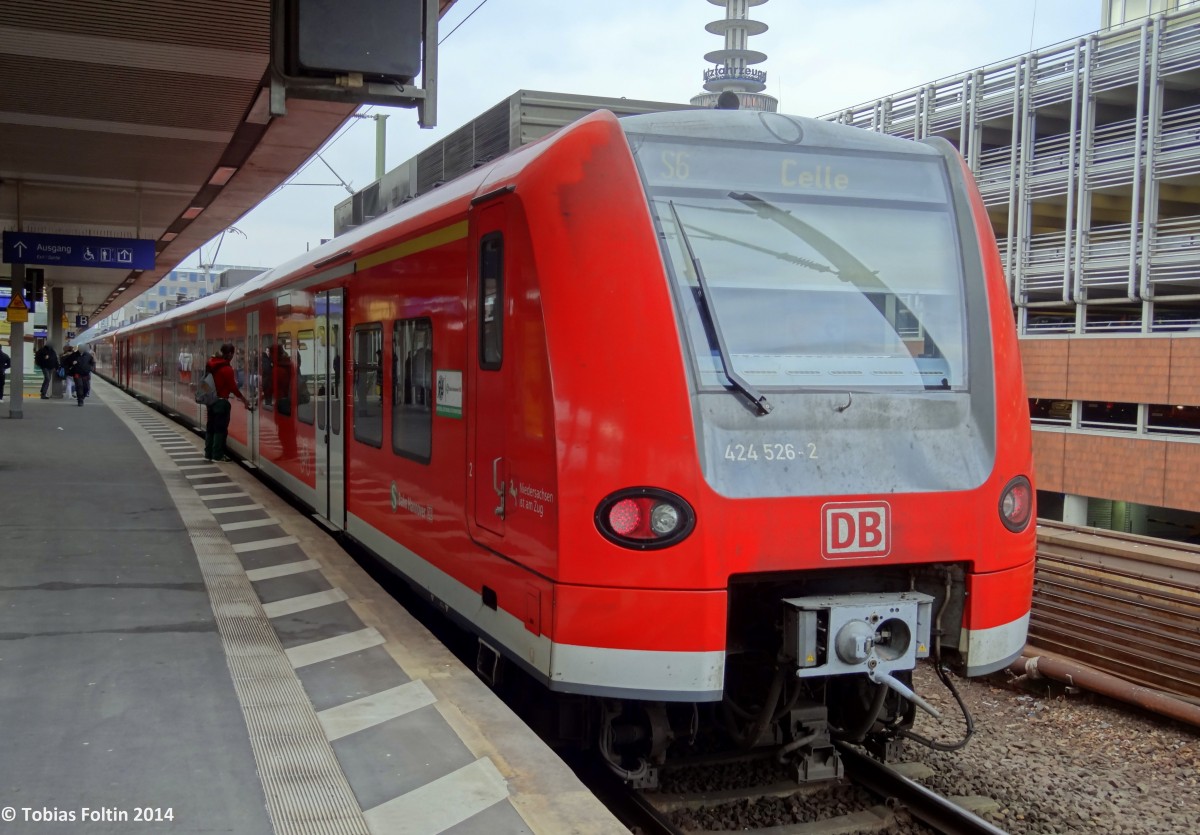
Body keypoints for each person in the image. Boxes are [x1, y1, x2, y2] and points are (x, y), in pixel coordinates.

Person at [204, 343, 252, 462]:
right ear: (230, 354)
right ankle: (217, 455)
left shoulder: (211, 365)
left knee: (210, 427)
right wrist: (244, 400)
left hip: (211, 401)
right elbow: (233, 388)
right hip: (221, 402)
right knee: (220, 429)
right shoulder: (227, 369)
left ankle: (208, 453)